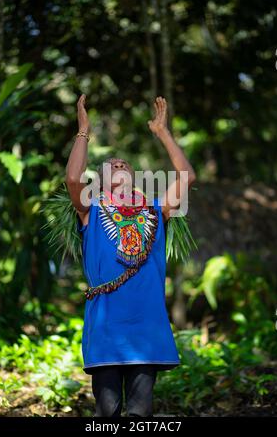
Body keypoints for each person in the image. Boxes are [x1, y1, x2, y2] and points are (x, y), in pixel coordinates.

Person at [66, 94, 196, 417]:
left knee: (140, 413)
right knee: (107, 412)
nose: (120, 164)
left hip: (145, 326)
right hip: (107, 327)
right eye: (111, 166)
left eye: (124, 164)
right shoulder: (92, 211)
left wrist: (163, 132)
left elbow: (187, 177)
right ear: (100, 183)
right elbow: (71, 178)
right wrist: (83, 131)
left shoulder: (155, 211)